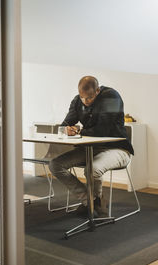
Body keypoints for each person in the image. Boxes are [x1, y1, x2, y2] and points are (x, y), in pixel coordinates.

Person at [48, 76, 134, 217]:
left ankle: (93, 205)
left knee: (92, 169)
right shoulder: (77, 100)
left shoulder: (111, 97)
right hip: (90, 149)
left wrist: (79, 130)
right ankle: (91, 201)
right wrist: (66, 129)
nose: (85, 102)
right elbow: (64, 125)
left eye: (89, 98)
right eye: (82, 98)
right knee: (55, 165)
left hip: (117, 149)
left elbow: (102, 130)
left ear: (98, 91)